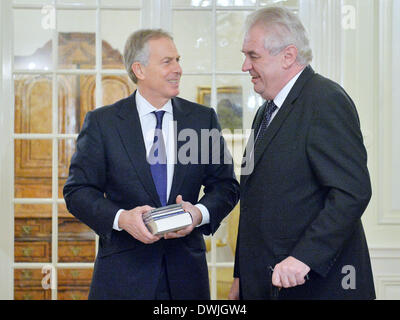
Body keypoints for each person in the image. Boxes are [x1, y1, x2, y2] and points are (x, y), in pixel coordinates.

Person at [63, 29, 239, 300]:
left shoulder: (202, 119)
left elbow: (226, 187)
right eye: (167, 61)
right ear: (139, 70)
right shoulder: (103, 123)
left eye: (178, 60)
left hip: (186, 279)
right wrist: (122, 218)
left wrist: (198, 214)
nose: (178, 69)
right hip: (122, 278)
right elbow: (78, 192)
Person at [229, 7, 375, 300]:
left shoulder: (326, 100)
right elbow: (254, 203)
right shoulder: (265, 112)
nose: (245, 66)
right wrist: (241, 276)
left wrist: (305, 258)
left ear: (288, 56)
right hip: (264, 285)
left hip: (319, 287)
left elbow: (351, 193)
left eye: (253, 56)